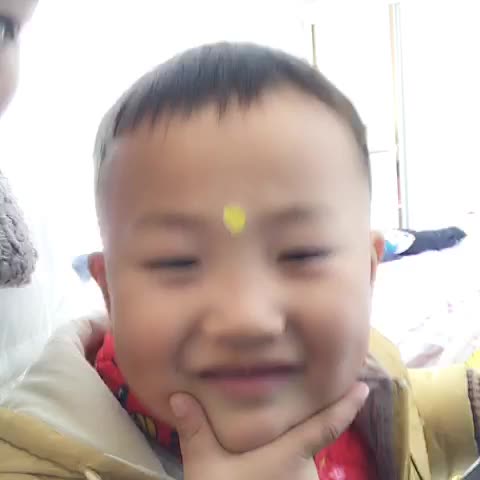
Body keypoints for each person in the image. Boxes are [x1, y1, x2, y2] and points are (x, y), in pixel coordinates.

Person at [0, 42, 478, 480]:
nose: (246, 318)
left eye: (302, 253)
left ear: (368, 274)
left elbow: (413, 426)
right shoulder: (37, 460)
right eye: (177, 262)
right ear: (110, 293)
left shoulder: (367, 376)